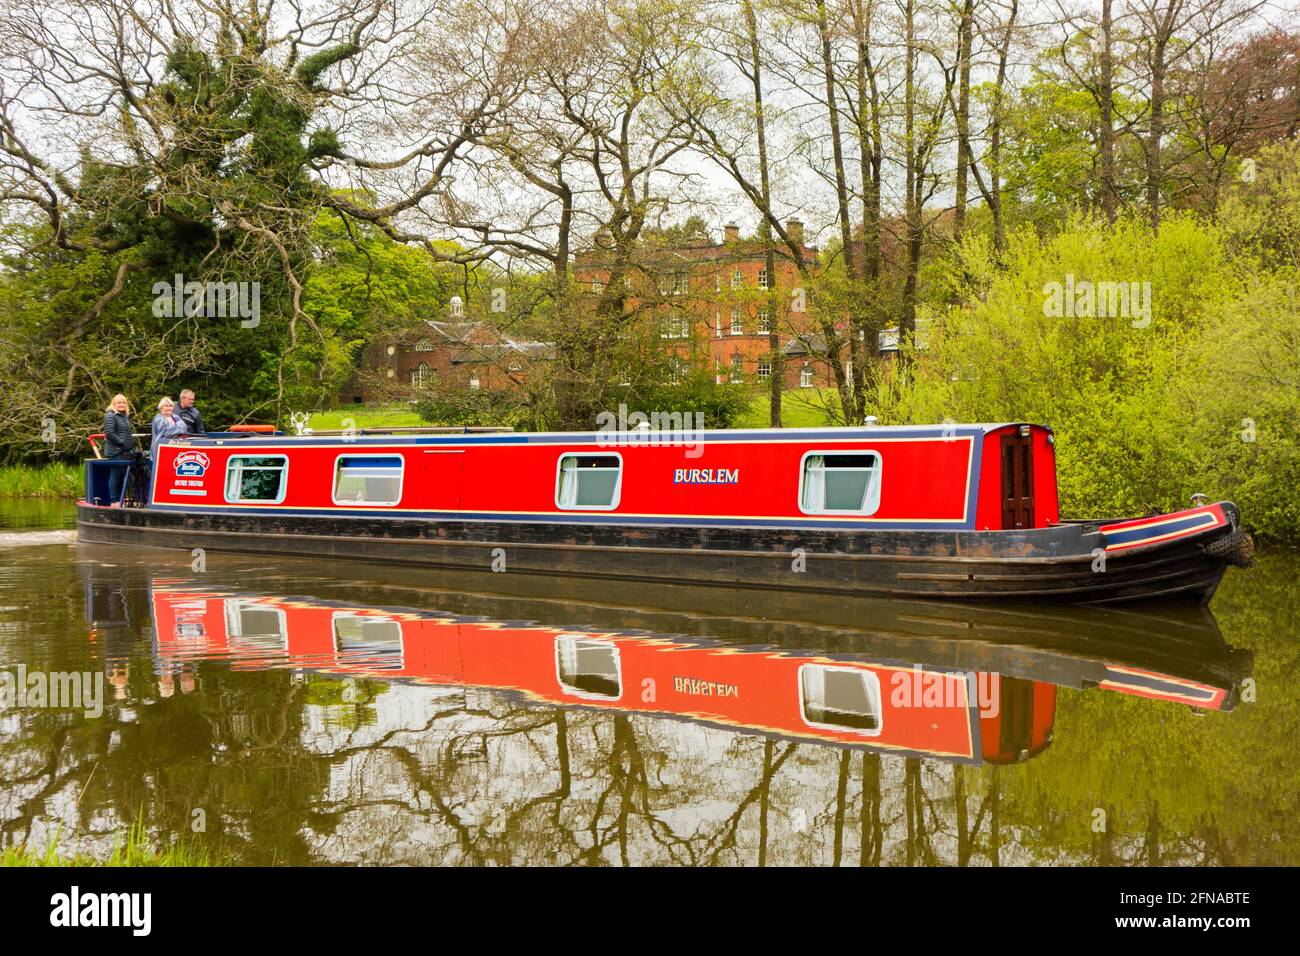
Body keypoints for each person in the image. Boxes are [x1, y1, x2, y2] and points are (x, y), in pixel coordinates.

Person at [102, 394, 138, 506]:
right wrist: (121, 443)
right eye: (119, 402)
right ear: (114, 404)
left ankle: (122, 499)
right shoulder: (110, 415)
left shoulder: (124, 416)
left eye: (123, 402)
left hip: (125, 451)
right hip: (115, 451)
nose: (121, 404)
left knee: (123, 475)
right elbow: (109, 433)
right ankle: (114, 501)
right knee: (115, 475)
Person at [150, 396, 189, 470]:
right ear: (161, 408)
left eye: (171, 406)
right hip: (160, 448)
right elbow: (168, 432)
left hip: (173, 448)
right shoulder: (159, 418)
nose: (169, 408)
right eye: (166, 406)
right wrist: (178, 428)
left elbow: (184, 428)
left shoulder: (175, 416)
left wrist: (176, 429)